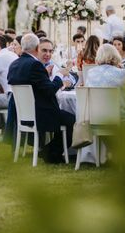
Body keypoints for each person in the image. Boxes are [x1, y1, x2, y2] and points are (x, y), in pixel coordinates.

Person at [7, 33, 76, 164]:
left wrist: (45, 75)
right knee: (71, 119)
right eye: (44, 49)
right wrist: (60, 76)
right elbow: (49, 91)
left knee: (65, 117)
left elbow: (35, 86)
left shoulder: (15, 64)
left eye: (50, 51)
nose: (47, 53)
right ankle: (50, 151)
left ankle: (49, 150)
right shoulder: (35, 65)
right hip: (40, 114)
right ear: (37, 47)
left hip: (22, 114)